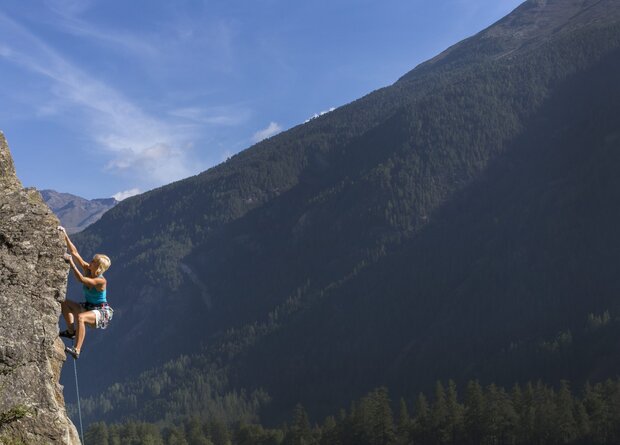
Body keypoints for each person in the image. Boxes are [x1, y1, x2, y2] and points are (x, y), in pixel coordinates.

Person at [58, 226, 113, 359]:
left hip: (101, 312)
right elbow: (75, 253)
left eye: (94, 261)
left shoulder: (101, 281)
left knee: (81, 318)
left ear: (98, 267)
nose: (90, 262)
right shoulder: (89, 269)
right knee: (64, 303)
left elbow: (82, 280)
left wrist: (71, 263)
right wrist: (65, 235)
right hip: (89, 307)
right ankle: (71, 332)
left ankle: (76, 350)